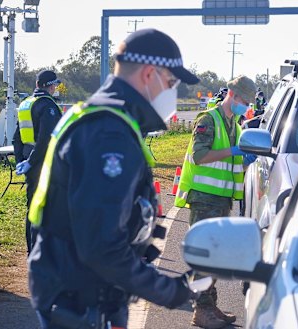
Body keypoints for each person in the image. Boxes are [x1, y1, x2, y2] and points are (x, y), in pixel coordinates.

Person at [26, 28, 200, 329]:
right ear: (149, 74)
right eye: (171, 82)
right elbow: (101, 246)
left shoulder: (105, 117)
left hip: (78, 288)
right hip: (79, 299)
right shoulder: (109, 134)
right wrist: (168, 291)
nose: (173, 92)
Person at [174, 75, 257, 329]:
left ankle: (210, 304)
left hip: (221, 199)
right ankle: (201, 309)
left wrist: (245, 160)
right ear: (232, 94)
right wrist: (233, 151)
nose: (246, 105)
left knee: (214, 256)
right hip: (204, 197)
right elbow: (200, 156)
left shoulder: (236, 126)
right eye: (244, 100)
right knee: (202, 256)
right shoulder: (208, 120)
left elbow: (230, 164)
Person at [12, 70, 63, 255]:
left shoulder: (26, 104)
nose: (55, 88)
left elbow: (17, 138)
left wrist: (22, 161)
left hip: (30, 164)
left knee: (33, 207)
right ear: (50, 85)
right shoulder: (47, 106)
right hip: (46, 164)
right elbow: (45, 140)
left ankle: (32, 252)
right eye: (54, 85)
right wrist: (32, 161)